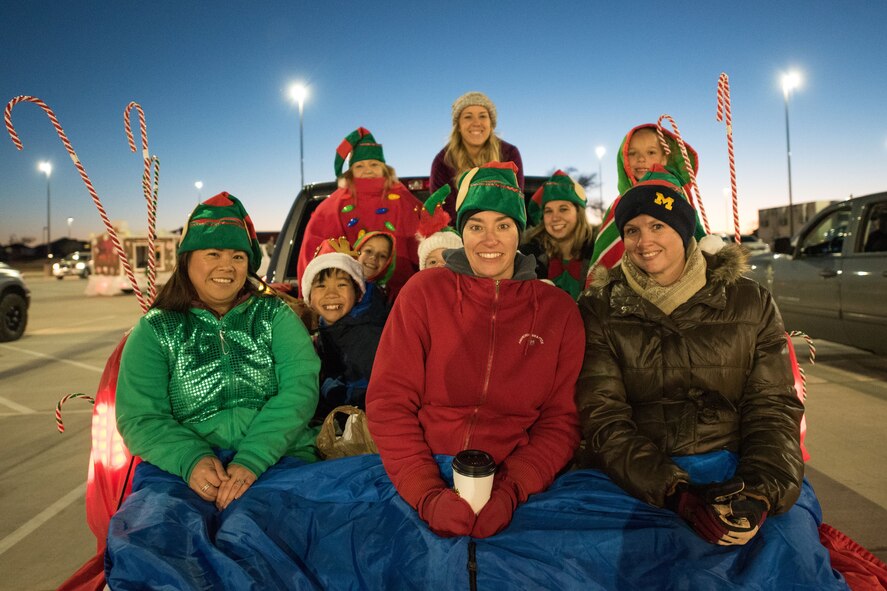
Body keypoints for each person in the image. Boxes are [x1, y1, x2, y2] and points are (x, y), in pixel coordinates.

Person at [570, 175, 848, 588]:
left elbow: (773, 407)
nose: (644, 240)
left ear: (684, 230)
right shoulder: (600, 309)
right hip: (640, 474)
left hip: (735, 462)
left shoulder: (749, 302)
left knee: (786, 561)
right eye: (632, 230)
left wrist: (759, 492)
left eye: (657, 226)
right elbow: (604, 417)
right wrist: (675, 493)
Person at [106, 192, 321, 589]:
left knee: (263, 541)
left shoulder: (275, 316)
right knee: (157, 544)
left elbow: (299, 389)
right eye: (214, 254)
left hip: (278, 459)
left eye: (238, 257)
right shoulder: (155, 330)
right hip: (176, 472)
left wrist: (253, 458)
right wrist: (191, 459)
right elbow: (140, 416)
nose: (227, 266)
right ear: (187, 260)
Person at [366, 161, 584, 539]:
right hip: (421, 466)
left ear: (519, 232)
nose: (490, 239)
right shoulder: (423, 294)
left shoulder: (558, 311)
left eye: (503, 225)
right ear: (460, 231)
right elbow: (389, 401)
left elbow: (560, 420)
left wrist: (513, 488)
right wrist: (425, 491)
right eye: (476, 226)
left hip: (517, 476)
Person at [297, 127, 423, 297]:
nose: (368, 170)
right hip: (347, 301)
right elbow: (313, 254)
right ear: (350, 172)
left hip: (403, 296)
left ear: (385, 168)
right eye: (359, 166)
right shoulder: (333, 206)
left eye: (374, 164)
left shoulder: (404, 200)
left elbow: (426, 241)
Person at [590, 123, 705, 271]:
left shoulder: (676, 197)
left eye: (651, 152)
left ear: (664, 158)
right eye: (632, 153)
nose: (641, 159)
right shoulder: (618, 205)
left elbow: (696, 236)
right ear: (624, 158)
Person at [301, 247, 387, 425]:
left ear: (357, 293)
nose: (331, 294)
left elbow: (381, 393)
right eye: (321, 286)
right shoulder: (324, 333)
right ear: (309, 297)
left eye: (341, 284)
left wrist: (334, 392)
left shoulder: (369, 336)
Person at [430, 92, 524, 220]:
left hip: (501, 228)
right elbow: (443, 213)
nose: (476, 123)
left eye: (482, 116)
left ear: (491, 124)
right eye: (468, 117)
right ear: (458, 126)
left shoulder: (509, 153)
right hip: (460, 233)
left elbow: (515, 203)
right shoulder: (443, 161)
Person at [520, 170, 596, 299]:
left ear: (579, 213)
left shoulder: (597, 252)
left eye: (563, 209)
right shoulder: (527, 256)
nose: (555, 218)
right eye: (548, 211)